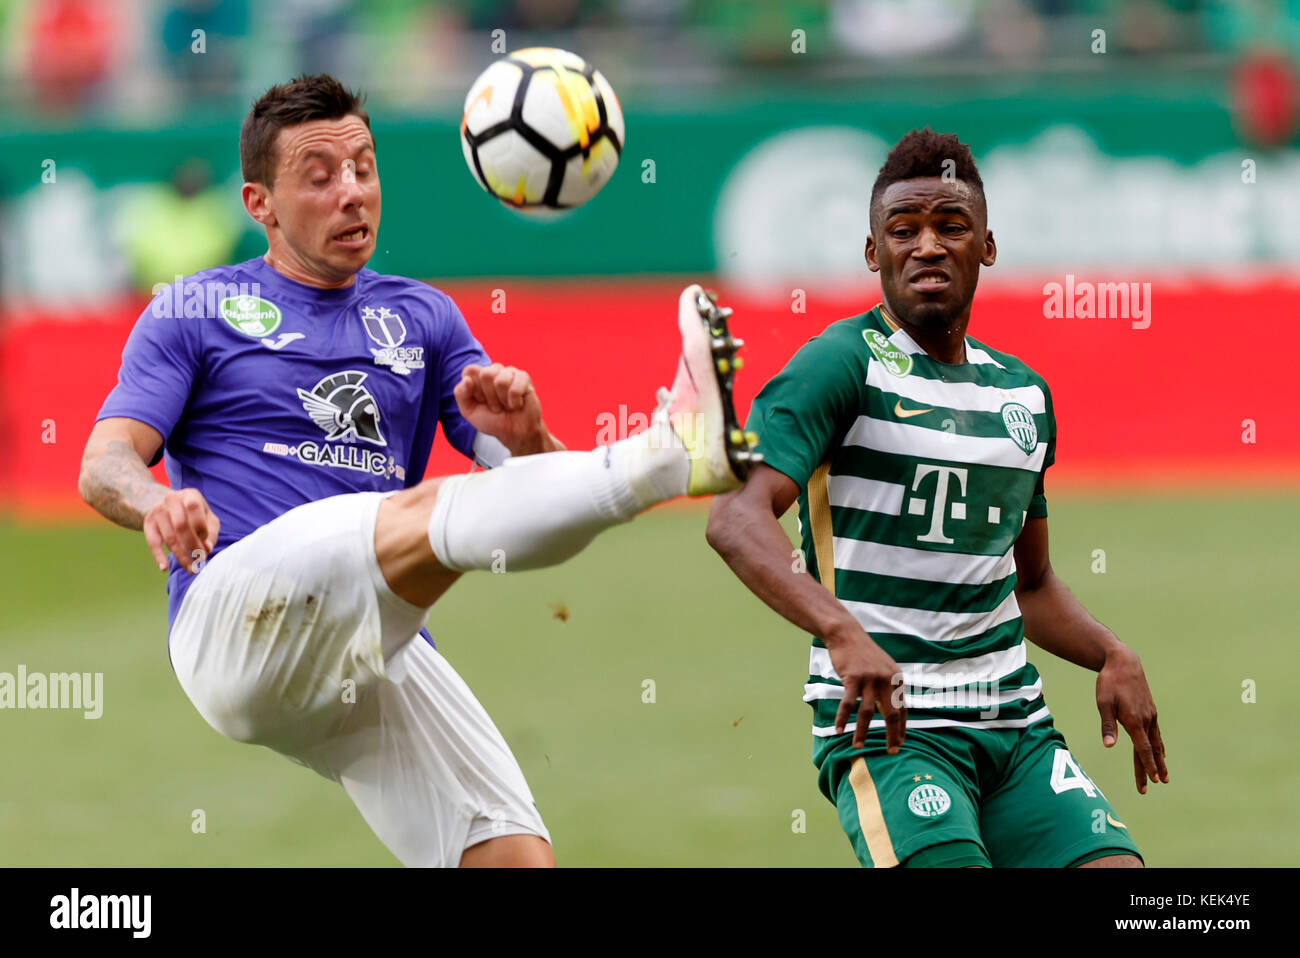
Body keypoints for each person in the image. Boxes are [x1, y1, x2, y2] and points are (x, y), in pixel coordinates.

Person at [78, 74, 757, 868]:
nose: (353, 193)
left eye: (364, 167)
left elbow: (532, 487)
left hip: (373, 645)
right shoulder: (194, 308)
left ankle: (674, 450)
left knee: (512, 857)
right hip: (236, 615)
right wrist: (154, 500)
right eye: (321, 176)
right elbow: (103, 461)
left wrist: (526, 432)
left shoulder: (425, 317)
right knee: (426, 509)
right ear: (259, 203)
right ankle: (674, 450)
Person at [706, 128, 1166, 868]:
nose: (927, 245)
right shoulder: (841, 364)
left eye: (950, 227)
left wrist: (1112, 652)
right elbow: (734, 517)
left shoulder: (1022, 394)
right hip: (890, 733)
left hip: (1016, 726)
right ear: (872, 252)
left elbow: (1030, 582)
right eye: (904, 229)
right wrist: (841, 631)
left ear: (985, 244)